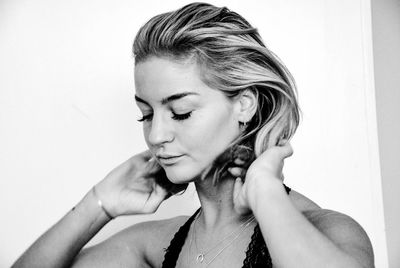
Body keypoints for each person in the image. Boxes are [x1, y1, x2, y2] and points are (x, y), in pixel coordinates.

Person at [13, 2, 374, 268]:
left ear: (245, 105)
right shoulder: (155, 245)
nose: (156, 135)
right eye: (146, 114)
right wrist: (99, 203)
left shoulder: (330, 232)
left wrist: (264, 190)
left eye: (181, 112)